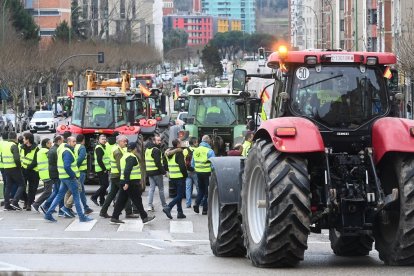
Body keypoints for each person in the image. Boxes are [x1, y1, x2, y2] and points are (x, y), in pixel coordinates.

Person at [44, 136, 93, 222]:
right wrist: (73, 175)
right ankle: (82, 217)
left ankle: (48, 214)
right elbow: (67, 166)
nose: (75, 143)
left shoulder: (63, 149)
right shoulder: (67, 152)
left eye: (75, 141)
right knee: (76, 196)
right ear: (68, 142)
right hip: (69, 178)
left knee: (59, 195)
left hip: (63, 177)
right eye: (73, 142)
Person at [110, 142, 155, 225]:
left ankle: (114, 217)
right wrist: (127, 183)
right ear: (135, 149)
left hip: (125, 181)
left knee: (121, 201)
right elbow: (127, 170)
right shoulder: (131, 157)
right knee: (137, 200)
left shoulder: (124, 156)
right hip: (131, 183)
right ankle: (144, 217)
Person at [100, 135, 137, 219]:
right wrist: (124, 177)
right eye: (124, 141)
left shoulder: (116, 149)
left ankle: (103, 211)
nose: (126, 143)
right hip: (117, 175)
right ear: (119, 142)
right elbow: (120, 166)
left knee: (111, 194)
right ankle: (128, 212)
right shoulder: (118, 152)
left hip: (114, 175)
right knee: (126, 193)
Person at [163, 139, 188, 219]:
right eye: (180, 143)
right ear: (177, 144)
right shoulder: (179, 153)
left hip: (172, 176)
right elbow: (182, 167)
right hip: (180, 176)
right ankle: (168, 207)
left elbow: (166, 165)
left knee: (178, 195)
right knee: (180, 195)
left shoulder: (168, 153)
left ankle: (180, 212)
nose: (181, 144)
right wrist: (185, 175)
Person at [191, 135, 215, 215]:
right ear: (208, 142)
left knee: (201, 190)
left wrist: (197, 168)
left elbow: (192, 164)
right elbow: (213, 164)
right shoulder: (210, 151)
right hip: (207, 174)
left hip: (198, 173)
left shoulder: (196, 150)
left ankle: (196, 204)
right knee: (207, 192)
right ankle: (205, 209)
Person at [40, 135, 64, 214]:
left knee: (57, 191)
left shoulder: (52, 149)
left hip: (52, 173)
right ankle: (47, 206)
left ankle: (59, 209)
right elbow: (59, 163)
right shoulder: (56, 150)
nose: (63, 142)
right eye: (62, 141)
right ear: (59, 141)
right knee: (59, 192)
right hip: (56, 173)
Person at [3, 132, 25, 210]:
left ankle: (6, 205)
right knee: (22, 184)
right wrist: (19, 166)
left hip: (6, 167)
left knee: (8, 186)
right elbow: (16, 159)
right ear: (15, 137)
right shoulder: (14, 146)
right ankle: (15, 202)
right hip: (14, 168)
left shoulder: (4, 145)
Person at [146, 134, 167, 211]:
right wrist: (164, 172)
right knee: (161, 189)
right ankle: (164, 205)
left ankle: (149, 205)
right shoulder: (156, 150)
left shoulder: (148, 150)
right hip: (157, 172)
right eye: (158, 140)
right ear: (154, 141)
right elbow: (158, 163)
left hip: (150, 172)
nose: (159, 142)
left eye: (160, 140)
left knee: (151, 189)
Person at [31, 138, 53, 212]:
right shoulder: (46, 151)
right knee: (48, 191)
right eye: (50, 143)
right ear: (46, 144)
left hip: (43, 174)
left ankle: (47, 206)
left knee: (48, 191)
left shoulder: (40, 151)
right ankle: (36, 204)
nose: (51, 144)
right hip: (47, 174)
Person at [20, 132, 40, 211]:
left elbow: (35, 161)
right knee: (21, 187)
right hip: (23, 170)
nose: (23, 140)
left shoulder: (36, 149)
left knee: (32, 188)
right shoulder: (21, 147)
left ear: (28, 140)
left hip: (33, 171)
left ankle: (29, 204)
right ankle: (26, 200)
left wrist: (28, 168)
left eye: (24, 138)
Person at [74, 134, 94, 215]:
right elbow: (81, 158)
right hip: (81, 171)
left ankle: (86, 207)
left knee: (81, 190)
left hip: (78, 171)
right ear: (83, 140)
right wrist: (76, 168)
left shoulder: (75, 146)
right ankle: (67, 207)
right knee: (78, 190)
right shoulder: (82, 147)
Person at [91, 134, 110, 206]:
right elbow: (99, 160)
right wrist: (104, 169)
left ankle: (102, 201)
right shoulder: (99, 148)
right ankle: (94, 197)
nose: (104, 140)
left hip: (102, 169)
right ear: (99, 140)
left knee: (103, 185)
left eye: (105, 139)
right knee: (105, 185)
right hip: (101, 169)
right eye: (102, 139)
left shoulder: (103, 147)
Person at [184, 137, 199, 208]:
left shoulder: (185, 150)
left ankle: (188, 204)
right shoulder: (198, 150)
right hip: (195, 171)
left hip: (187, 171)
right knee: (198, 187)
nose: (197, 143)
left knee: (188, 188)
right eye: (196, 142)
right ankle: (199, 202)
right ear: (194, 143)